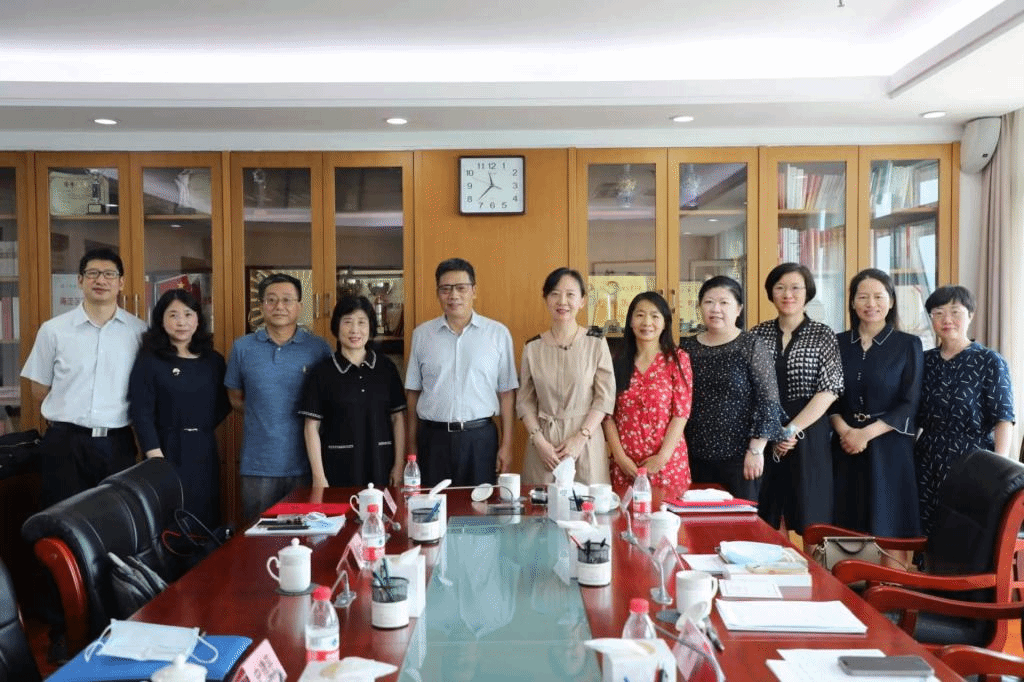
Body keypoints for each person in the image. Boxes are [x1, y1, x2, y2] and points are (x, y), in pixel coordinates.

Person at [22, 247, 147, 508]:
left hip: (117, 443)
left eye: (109, 274)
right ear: (80, 280)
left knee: (116, 518)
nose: (100, 280)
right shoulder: (53, 330)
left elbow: (144, 390)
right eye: (92, 273)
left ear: (121, 283)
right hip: (65, 444)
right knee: (62, 518)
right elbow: (39, 390)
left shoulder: (139, 332)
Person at [225, 273, 331, 521]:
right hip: (258, 465)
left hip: (307, 464)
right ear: (261, 306)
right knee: (258, 534)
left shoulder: (318, 348)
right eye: (271, 300)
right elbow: (235, 398)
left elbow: (328, 402)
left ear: (300, 306)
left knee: (308, 534)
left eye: (287, 300)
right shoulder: (243, 347)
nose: (279, 306)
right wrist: (265, 411)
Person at [405, 258, 518, 487]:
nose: (453, 295)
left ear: (474, 291)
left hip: (480, 438)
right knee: (432, 503)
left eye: (461, 288)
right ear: (437, 293)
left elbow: (507, 394)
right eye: (445, 289)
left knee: (479, 503)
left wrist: (507, 445)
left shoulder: (497, 334)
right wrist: (411, 445)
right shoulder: (422, 335)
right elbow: (413, 394)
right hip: (433, 439)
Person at [750, 263, 844, 533]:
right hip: (765, 434)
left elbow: (829, 390)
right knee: (769, 516)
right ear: (771, 293)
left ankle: (810, 564)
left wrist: (789, 431)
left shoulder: (823, 334)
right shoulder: (757, 334)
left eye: (795, 288)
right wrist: (774, 433)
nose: (787, 294)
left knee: (812, 521)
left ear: (807, 293)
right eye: (780, 288)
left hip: (809, 434)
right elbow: (751, 388)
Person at [830, 268, 923, 537]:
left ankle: (891, 569)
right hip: (844, 445)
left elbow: (910, 402)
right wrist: (847, 433)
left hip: (889, 445)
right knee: (845, 526)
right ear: (852, 302)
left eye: (879, 297)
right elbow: (830, 397)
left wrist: (865, 434)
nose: (871, 304)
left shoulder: (908, 344)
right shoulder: (837, 342)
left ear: (891, 301)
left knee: (890, 527)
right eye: (863, 297)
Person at [915, 285, 1015, 534]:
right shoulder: (924, 362)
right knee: (925, 533)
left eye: (955, 312)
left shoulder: (989, 361)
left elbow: (1003, 418)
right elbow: (913, 415)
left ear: (970, 315)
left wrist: (998, 468)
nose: (947, 319)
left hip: (973, 460)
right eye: (938, 313)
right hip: (927, 460)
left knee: (965, 534)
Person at [128, 288, 230, 528]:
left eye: (188, 314)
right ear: (161, 321)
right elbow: (141, 412)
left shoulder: (213, 360)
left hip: (203, 447)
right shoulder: (150, 360)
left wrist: (198, 427)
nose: (181, 322)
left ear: (198, 319)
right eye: (173, 315)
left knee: (205, 515)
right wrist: (155, 457)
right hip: (165, 448)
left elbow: (223, 404)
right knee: (170, 518)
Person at [679, 276, 783, 501]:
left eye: (724, 302)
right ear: (700, 307)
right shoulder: (687, 348)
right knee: (696, 517)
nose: (715, 309)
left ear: (738, 309)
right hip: (692, 455)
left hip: (740, 457)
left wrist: (756, 449)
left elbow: (768, 401)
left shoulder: (751, 345)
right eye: (709, 302)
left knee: (739, 517)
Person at [518, 268, 614, 485]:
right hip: (544, 445)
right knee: (541, 504)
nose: (562, 301)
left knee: (589, 503)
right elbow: (524, 402)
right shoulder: (532, 347)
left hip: (585, 441)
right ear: (546, 299)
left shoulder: (596, 343)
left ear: (582, 301)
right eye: (555, 294)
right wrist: (539, 442)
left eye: (570, 294)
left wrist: (580, 438)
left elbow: (605, 398)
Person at [299, 295, 407, 488]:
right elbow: (311, 427)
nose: (355, 330)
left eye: (361, 322)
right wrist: (319, 476)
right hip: (337, 470)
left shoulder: (386, 368)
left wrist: (399, 465)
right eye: (347, 322)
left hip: (382, 465)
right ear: (336, 326)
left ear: (371, 327)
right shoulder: (322, 372)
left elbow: (398, 419)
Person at [604, 291, 693, 490]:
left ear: (665, 322)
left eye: (655, 316)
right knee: (624, 510)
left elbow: (681, 413)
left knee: (667, 510)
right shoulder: (616, 361)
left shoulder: (678, 359)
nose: (647, 322)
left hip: (667, 464)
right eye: (640, 315)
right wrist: (620, 457)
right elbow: (607, 415)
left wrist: (662, 458)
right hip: (626, 465)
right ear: (630, 321)